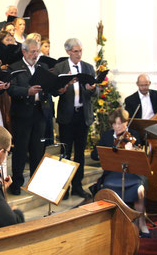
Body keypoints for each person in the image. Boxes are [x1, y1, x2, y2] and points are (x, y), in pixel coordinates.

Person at [91, 108, 149, 236]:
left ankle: (142, 222)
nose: (117, 127)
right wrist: (105, 153)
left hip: (132, 174)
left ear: (126, 122)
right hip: (113, 173)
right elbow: (94, 154)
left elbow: (140, 156)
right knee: (106, 188)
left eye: (120, 123)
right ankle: (109, 223)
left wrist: (132, 150)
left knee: (139, 190)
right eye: (114, 124)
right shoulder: (107, 136)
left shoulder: (133, 135)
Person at [7, 38, 53, 195]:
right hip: (22, 114)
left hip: (40, 112)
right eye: (33, 51)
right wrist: (27, 91)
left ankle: (36, 182)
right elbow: (11, 89)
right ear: (24, 52)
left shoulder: (43, 67)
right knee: (20, 150)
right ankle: (17, 183)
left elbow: (49, 86)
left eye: (37, 51)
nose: (36, 54)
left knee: (37, 149)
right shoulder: (15, 68)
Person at [52, 38, 96, 199]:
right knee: (65, 153)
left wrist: (92, 89)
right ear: (68, 52)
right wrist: (63, 88)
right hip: (67, 116)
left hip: (82, 115)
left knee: (79, 154)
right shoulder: (60, 68)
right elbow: (54, 91)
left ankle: (77, 186)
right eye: (75, 51)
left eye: (80, 51)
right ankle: (64, 188)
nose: (78, 54)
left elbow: (94, 93)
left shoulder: (88, 68)